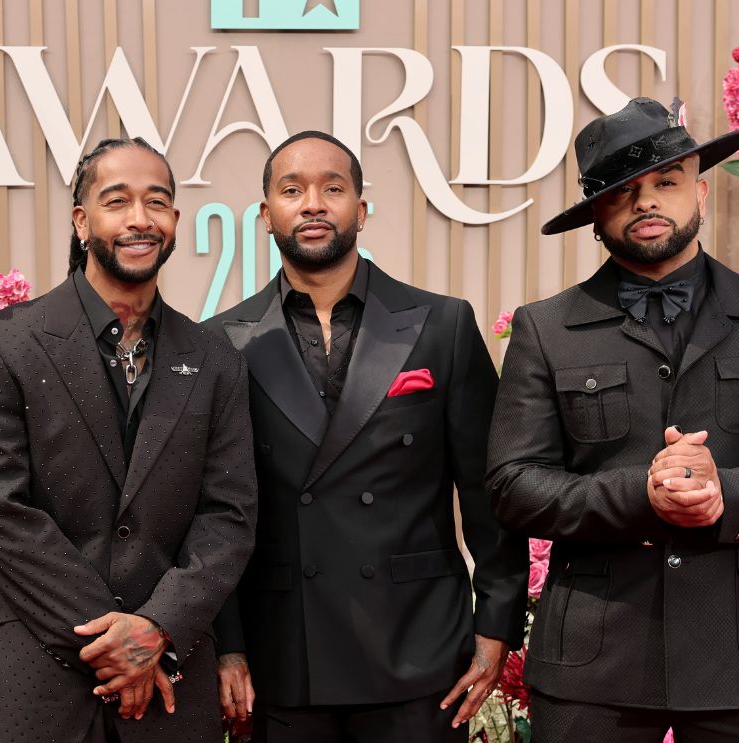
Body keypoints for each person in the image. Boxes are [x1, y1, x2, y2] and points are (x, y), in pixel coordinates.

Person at [486, 97, 739, 741]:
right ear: (596, 216)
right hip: (592, 666)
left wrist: (725, 495)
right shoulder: (547, 329)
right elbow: (512, 486)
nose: (647, 202)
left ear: (702, 192)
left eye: (666, 182)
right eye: (623, 192)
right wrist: (640, 494)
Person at [206, 130, 528, 743]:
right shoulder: (221, 342)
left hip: (419, 645)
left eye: (333, 188)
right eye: (292, 190)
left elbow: (490, 493)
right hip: (287, 651)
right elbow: (215, 513)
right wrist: (229, 647)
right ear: (265, 213)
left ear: (361, 208)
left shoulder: (443, 324)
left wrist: (496, 625)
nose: (313, 204)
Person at [0, 136, 257, 743]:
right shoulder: (3, 345)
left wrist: (157, 628)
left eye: (157, 202)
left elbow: (229, 515)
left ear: (174, 220)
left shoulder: (215, 357)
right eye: (117, 201)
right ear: (82, 219)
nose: (139, 219)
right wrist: (115, 641)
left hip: (172, 683)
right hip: (35, 674)